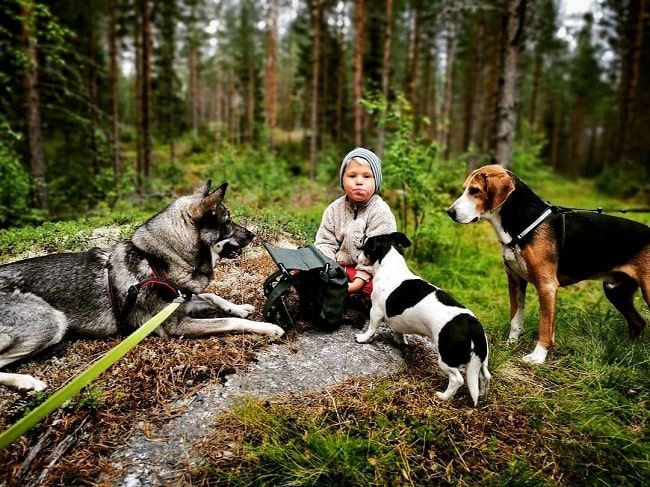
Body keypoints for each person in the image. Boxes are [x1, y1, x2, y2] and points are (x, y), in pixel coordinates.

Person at [314, 147, 397, 300]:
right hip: (340, 269)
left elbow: (378, 254)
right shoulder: (334, 210)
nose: (359, 181)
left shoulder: (380, 212)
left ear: (376, 181)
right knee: (305, 272)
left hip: (372, 272)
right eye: (352, 176)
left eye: (367, 176)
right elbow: (325, 243)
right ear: (342, 180)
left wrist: (357, 283)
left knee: (386, 288)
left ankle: (358, 297)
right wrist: (331, 272)